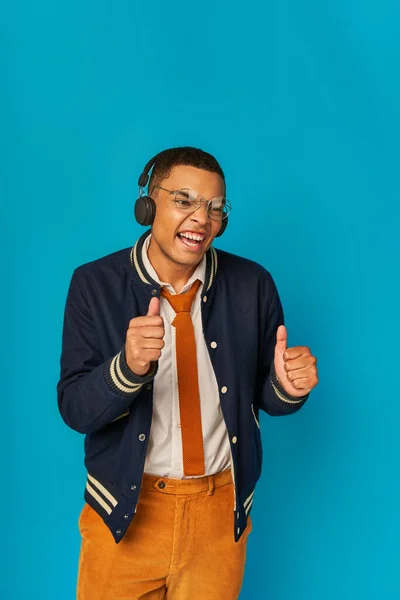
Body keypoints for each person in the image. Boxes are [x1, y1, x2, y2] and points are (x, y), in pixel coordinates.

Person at [57, 146, 319, 600]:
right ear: (148, 203)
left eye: (214, 207)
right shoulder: (93, 284)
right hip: (126, 514)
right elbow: (75, 408)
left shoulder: (252, 285)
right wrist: (127, 368)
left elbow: (263, 397)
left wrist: (287, 388)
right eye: (184, 200)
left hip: (219, 517)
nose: (201, 218)